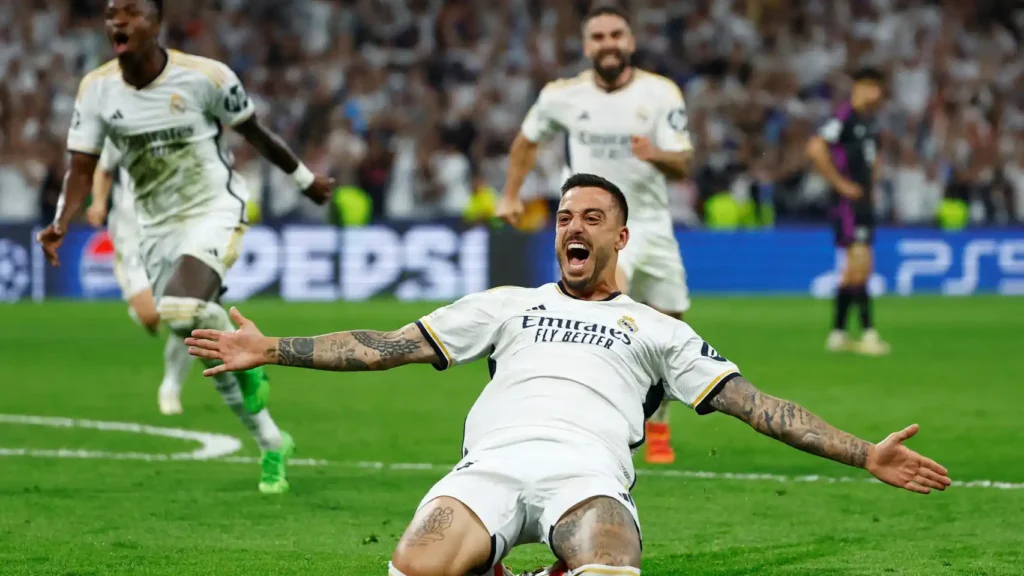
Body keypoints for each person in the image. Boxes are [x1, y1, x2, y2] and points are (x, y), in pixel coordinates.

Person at [187, 173, 951, 576]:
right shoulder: (507, 305)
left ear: (620, 236)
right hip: (487, 469)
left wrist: (864, 453)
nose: (572, 228)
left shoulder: (660, 330)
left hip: (586, 476)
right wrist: (272, 347)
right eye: (562, 217)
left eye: (590, 217)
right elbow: (387, 345)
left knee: (612, 564)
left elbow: (757, 406)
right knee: (412, 566)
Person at [36, 0, 335, 494]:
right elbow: (82, 168)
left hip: (213, 208)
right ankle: (271, 442)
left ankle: (250, 368)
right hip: (155, 227)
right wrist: (60, 222)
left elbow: (255, 133)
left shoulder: (205, 77)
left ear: (157, 23)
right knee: (197, 335)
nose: (117, 21)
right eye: (111, 13)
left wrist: (304, 180)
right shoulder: (96, 89)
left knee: (180, 310)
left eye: (131, 12)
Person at [497, 4, 692, 465]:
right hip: (594, 225)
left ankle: (657, 421)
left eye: (616, 35)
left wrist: (655, 154)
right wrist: (510, 194)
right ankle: (595, 424)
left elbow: (683, 162)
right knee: (603, 314)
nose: (608, 44)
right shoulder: (563, 96)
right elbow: (526, 141)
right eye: (599, 36)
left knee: (670, 326)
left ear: (631, 42)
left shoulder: (660, 93)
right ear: (587, 46)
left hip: (650, 223)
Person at [87, 138, 194, 415]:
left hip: (174, 234)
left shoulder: (186, 131)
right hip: (131, 235)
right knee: (151, 316)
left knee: (187, 316)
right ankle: (144, 309)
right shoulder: (122, 129)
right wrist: (98, 202)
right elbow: (104, 169)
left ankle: (171, 386)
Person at [806, 68, 890, 355]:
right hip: (848, 204)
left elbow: (873, 158)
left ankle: (838, 334)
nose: (877, 95)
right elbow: (815, 147)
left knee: (854, 272)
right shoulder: (844, 117)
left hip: (862, 202)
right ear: (861, 87)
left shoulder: (869, 122)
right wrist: (841, 184)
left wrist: (871, 183)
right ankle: (868, 334)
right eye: (873, 88)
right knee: (861, 264)